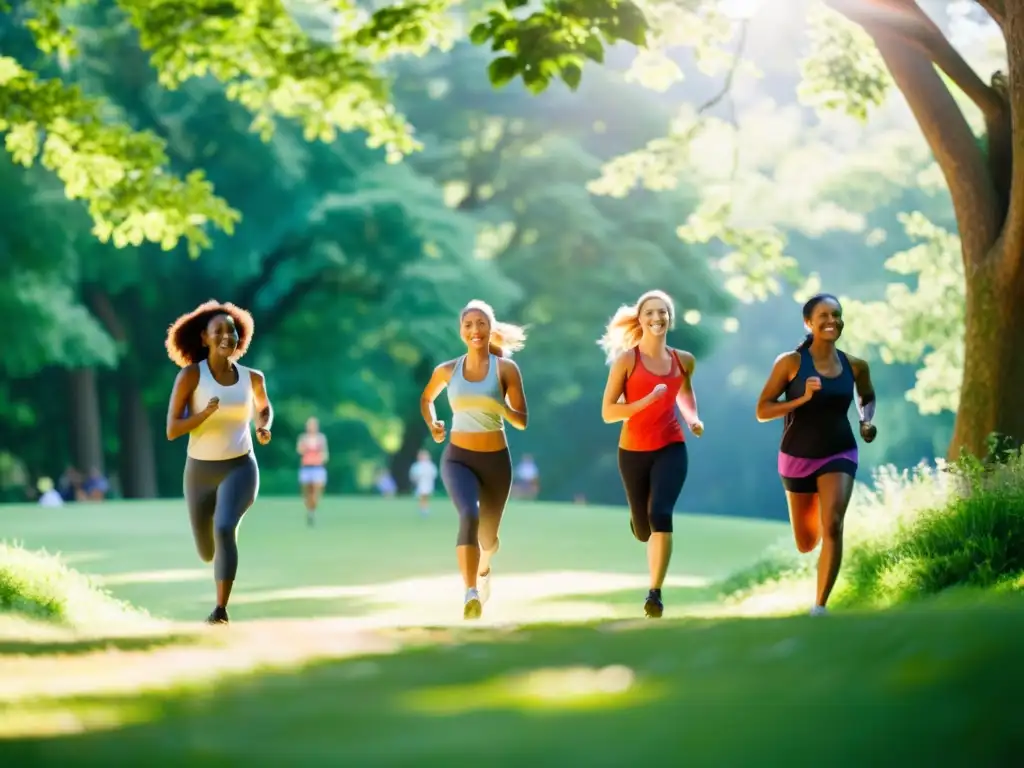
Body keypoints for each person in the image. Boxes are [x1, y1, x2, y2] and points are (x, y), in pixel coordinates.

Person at [755, 292, 877, 616]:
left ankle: (819, 606)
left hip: (839, 451)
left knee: (833, 523)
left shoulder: (855, 365)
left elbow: (867, 397)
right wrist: (802, 398)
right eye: (824, 315)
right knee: (806, 542)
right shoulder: (790, 363)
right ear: (808, 322)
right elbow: (762, 410)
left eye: (836, 314)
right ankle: (817, 562)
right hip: (797, 457)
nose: (832, 321)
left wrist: (866, 422)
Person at [164, 299, 273, 626]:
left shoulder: (252, 378)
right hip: (200, 471)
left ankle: (220, 610)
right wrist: (204, 414)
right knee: (206, 550)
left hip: (240, 466)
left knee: (225, 527)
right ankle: (214, 560)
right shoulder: (190, 377)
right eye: (219, 331)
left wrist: (263, 425)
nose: (227, 336)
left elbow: (264, 407)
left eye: (232, 330)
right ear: (204, 339)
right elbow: (172, 430)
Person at [419, 299, 529, 620]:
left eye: (481, 324)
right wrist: (434, 423)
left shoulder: (506, 370)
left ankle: (484, 569)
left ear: (490, 329)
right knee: (468, 515)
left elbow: (522, 419)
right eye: (468, 325)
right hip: (458, 458)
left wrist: (502, 410)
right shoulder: (447, 370)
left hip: (496, 462)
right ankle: (470, 593)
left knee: (489, 539)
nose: (475, 330)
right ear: (461, 332)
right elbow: (427, 398)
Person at [599, 289, 704, 619]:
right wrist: (647, 401)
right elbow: (608, 412)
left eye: (663, 312)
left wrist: (692, 418)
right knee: (644, 528)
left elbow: (684, 394)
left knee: (661, 514)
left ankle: (655, 593)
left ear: (670, 318)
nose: (658, 318)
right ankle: (639, 519)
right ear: (640, 320)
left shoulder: (683, 360)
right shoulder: (627, 360)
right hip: (633, 451)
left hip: (671, 446)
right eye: (651, 313)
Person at [297, 416, 329, 527]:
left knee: (316, 492)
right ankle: (309, 511)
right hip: (306, 467)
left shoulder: (321, 438)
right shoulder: (303, 438)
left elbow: (325, 453)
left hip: (317, 468)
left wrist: (321, 457)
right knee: (307, 493)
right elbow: (300, 451)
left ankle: (312, 511)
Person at [409, 449, 439, 516]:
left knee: (426, 496)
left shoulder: (430, 465)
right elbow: (413, 475)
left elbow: (434, 474)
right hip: (420, 483)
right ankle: (423, 509)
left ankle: (424, 508)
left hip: (428, 483)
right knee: (422, 496)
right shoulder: (417, 465)